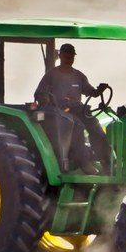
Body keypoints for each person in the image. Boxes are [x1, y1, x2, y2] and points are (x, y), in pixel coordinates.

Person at [34, 43, 111, 172]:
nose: (68, 58)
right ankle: (84, 163)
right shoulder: (51, 75)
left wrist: (99, 90)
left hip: (79, 110)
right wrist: (47, 99)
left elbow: (91, 92)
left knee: (96, 127)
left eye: (71, 55)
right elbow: (39, 94)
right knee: (78, 126)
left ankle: (106, 162)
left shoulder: (79, 76)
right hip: (60, 112)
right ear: (60, 56)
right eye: (66, 55)